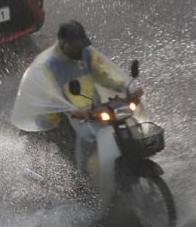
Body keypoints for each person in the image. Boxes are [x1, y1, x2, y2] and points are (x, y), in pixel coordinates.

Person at [10, 21, 139, 165]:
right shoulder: (49, 66)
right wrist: (71, 110)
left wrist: (126, 86)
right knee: (73, 151)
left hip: (85, 111)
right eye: (75, 46)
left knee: (104, 130)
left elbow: (105, 73)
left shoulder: (86, 55)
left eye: (81, 45)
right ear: (64, 45)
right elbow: (51, 95)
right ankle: (77, 183)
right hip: (57, 117)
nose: (79, 49)